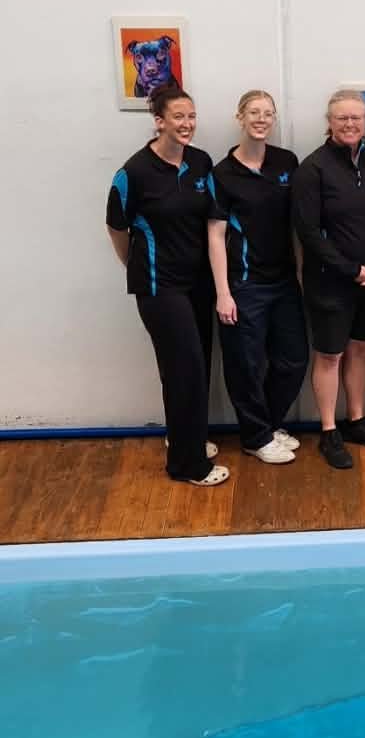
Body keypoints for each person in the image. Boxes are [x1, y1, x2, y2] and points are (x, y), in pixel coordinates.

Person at [105, 83, 229, 486]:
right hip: (159, 287)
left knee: (193, 367)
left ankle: (185, 439)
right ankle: (187, 465)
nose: (187, 123)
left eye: (191, 116)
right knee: (185, 369)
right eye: (178, 117)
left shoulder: (200, 163)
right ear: (159, 122)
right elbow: (117, 227)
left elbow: (213, 222)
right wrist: (134, 265)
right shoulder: (134, 173)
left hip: (198, 284)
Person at [291, 89, 365, 471]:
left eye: (356, 117)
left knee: (361, 350)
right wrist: (351, 269)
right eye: (342, 118)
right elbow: (308, 232)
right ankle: (328, 430)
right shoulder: (312, 169)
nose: (350, 124)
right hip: (330, 282)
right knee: (330, 355)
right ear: (330, 122)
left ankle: (356, 420)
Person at [208, 90, 309, 465]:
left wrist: (300, 273)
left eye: (268, 113)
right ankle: (255, 437)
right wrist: (223, 292)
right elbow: (215, 235)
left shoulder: (287, 162)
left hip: (284, 282)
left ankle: (268, 424)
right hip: (244, 284)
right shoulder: (222, 173)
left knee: (294, 360)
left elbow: (297, 225)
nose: (261, 119)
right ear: (240, 117)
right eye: (254, 112)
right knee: (246, 366)